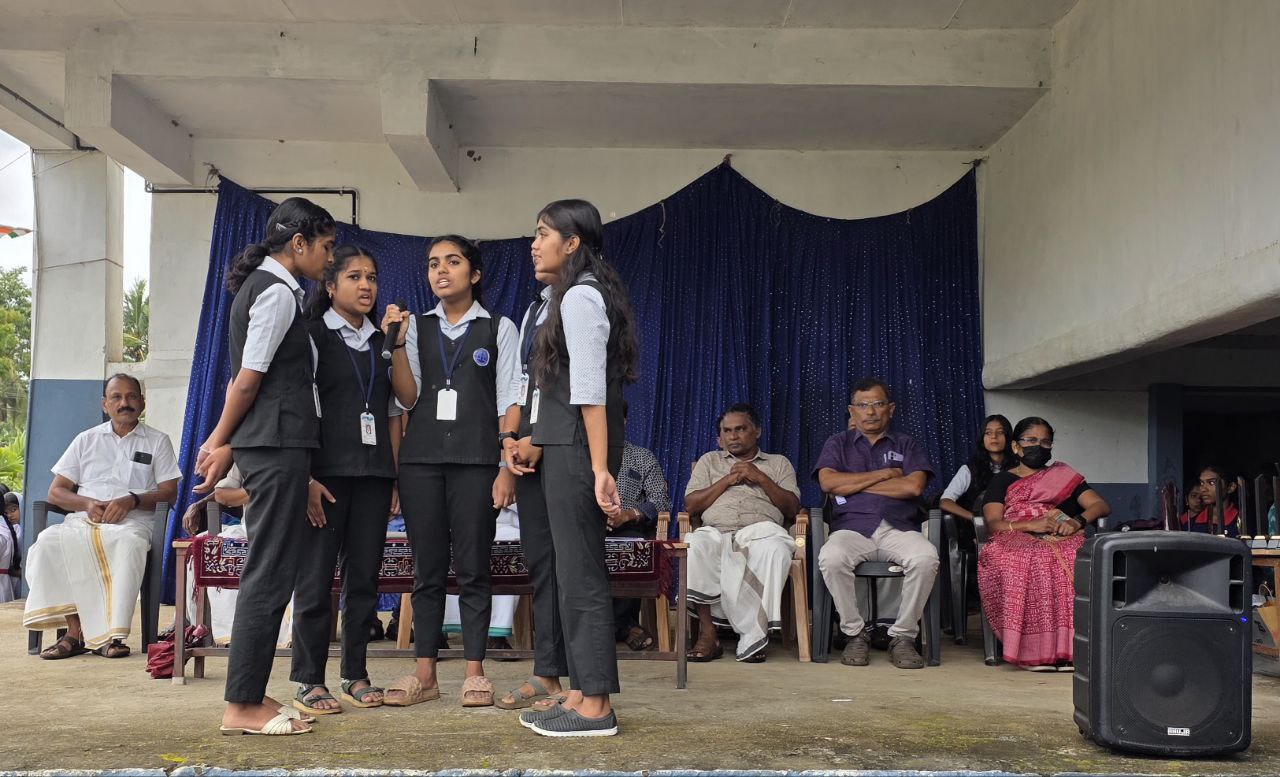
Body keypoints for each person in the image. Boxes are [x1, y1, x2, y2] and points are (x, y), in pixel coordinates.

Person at [194, 197, 336, 736]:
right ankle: (242, 705)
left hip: (278, 443)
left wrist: (229, 442)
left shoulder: (271, 287)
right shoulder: (276, 292)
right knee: (271, 571)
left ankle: (247, 693)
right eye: (324, 246)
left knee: (273, 567)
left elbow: (253, 380)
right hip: (275, 445)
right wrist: (219, 439)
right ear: (297, 244)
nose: (329, 257)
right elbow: (247, 380)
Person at [508, 199, 638, 737]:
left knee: (581, 573)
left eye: (543, 233)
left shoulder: (582, 297)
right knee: (567, 570)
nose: (534, 244)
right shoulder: (564, 298)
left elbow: (590, 392)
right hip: (562, 444)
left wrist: (601, 468)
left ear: (573, 242)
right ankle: (581, 689)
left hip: (576, 449)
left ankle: (597, 707)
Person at [380, 234, 521, 709]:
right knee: (428, 569)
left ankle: (475, 671)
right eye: (433, 264)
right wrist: (397, 345)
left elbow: (509, 399)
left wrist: (506, 466)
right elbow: (408, 398)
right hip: (422, 461)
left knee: (475, 566)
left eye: (453, 262)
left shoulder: (498, 326)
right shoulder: (416, 327)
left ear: (475, 274)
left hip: (478, 460)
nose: (441, 271)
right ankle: (425, 673)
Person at [287, 245, 403, 715]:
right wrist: (307, 476)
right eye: (353, 277)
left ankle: (355, 673)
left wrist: (393, 476)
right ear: (330, 286)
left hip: (374, 474)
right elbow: (297, 410)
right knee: (315, 580)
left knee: (363, 581)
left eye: (372, 277)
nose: (366, 286)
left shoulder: (384, 341)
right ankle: (309, 679)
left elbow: (394, 413)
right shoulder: (312, 335)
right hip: (326, 476)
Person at [23, 374, 181, 658]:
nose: (125, 403)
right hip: (84, 521)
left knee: (127, 545)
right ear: (105, 404)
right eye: (117, 397)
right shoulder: (86, 440)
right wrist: (86, 503)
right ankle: (74, 633)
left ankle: (112, 637)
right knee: (47, 542)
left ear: (142, 403)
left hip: (132, 524)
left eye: (132, 396)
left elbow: (170, 492)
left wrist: (132, 500)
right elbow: (56, 493)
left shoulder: (158, 441)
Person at [814, 378, 937, 669]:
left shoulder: (906, 444)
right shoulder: (838, 443)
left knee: (926, 558)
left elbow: (913, 488)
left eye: (878, 404)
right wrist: (885, 475)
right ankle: (855, 633)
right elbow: (828, 482)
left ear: (890, 409)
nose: (870, 411)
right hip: (852, 529)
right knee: (830, 558)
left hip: (899, 528)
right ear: (852, 410)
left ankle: (903, 636)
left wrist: (852, 486)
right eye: (863, 405)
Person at [978, 416, 1110, 670]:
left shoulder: (1064, 476)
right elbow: (993, 524)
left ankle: (1069, 650)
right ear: (1016, 447)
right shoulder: (1002, 480)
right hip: (1014, 534)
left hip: (1061, 534)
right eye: (1031, 440)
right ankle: (1031, 651)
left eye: (1045, 442)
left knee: (1078, 556)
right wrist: (1030, 525)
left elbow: (1100, 505)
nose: (1038, 446)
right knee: (1028, 558)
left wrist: (1076, 521)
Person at [683, 403, 801, 663]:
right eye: (727, 431)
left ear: (756, 431)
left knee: (776, 549)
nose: (733, 436)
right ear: (720, 436)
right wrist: (727, 480)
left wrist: (759, 477)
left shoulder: (778, 463)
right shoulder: (709, 461)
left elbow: (793, 508)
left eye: (740, 429)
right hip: (716, 530)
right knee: (695, 545)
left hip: (762, 531)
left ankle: (752, 635)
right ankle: (708, 634)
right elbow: (691, 505)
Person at [182, 466, 295, 646]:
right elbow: (222, 493)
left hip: (293, 530)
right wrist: (199, 504)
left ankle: (283, 634)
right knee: (204, 545)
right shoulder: (246, 450)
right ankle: (209, 629)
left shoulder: (301, 449)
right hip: (249, 529)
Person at [611, 401, 669, 651]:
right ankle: (623, 628)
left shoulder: (641, 457)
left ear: (624, 421)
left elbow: (661, 500)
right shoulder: (578, 454)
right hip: (580, 525)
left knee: (634, 547)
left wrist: (629, 514)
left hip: (626, 526)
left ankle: (611, 626)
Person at [445, 504, 522, 652]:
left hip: (504, 519)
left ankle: (495, 633)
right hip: (456, 515)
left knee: (506, 543)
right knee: (443, 542)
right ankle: (437, 630)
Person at [1180, 464, 1240, 537]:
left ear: (1231, 487)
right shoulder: (1190, 524)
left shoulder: (1242, 521)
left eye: (1211, 483)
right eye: (1201, 483)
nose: (1203, 489)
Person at [3, 491, 19, 599]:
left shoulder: (22, 531)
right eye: (6, 512)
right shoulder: (9, 531)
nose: (10, 515)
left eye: (13, 510)